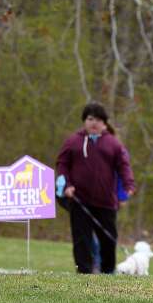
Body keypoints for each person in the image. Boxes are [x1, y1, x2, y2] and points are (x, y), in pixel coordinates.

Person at [56, 102, 135, 274]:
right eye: (90, 119)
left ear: (104, 123)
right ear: (84, 121)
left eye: (98, 119)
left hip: (106, 201)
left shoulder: (114, 144)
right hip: (79, 200)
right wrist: (66, 186)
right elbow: (62, 165)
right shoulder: (72, 142)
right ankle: (83, 272)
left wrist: (129, 185)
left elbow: (124, 166)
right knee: (81, 240)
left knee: (108, 239)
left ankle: (108, 272)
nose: (94, 123)